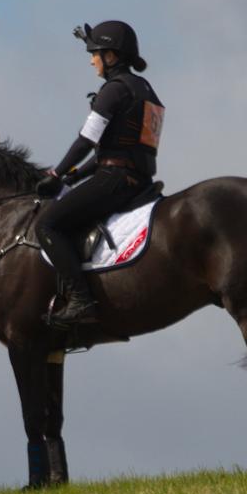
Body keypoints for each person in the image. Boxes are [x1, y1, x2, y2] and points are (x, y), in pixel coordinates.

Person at [34, 20, 165, 326]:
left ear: (111, 56)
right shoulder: (146, 91)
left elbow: (86, 141)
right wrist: (72, 177)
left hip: (115, 181)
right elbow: (114, 151)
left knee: (47, 225)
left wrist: (55, 174)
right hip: (138, 180)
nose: (92, 60)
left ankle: (81, 301)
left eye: (96, 53)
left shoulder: (113, 91)